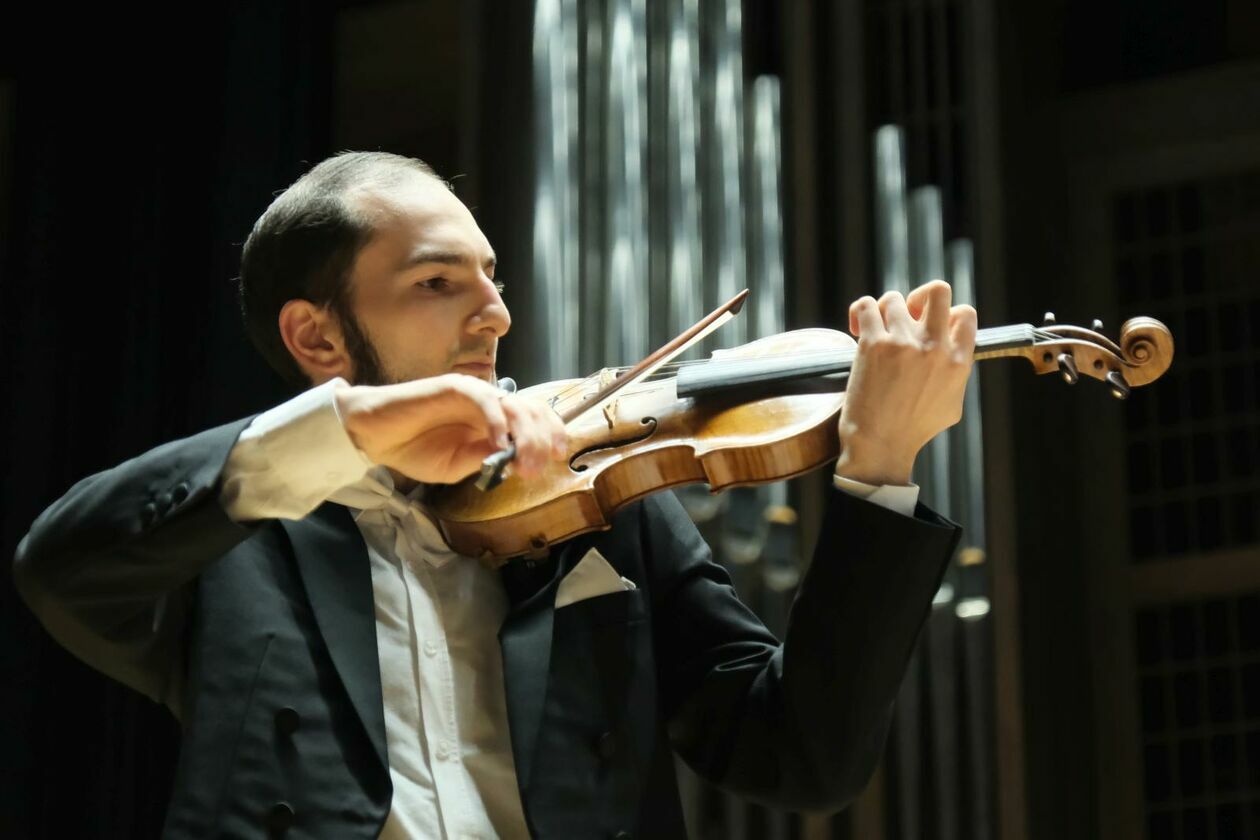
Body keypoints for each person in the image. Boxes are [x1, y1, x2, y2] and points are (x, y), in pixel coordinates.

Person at [14, 151, 976, 839]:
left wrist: (878, 470)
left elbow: (800, 757)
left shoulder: (600, 507)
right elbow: (62, 569)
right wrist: (352, 432)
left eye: (494, 278)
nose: (498, 313)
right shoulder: (234, 534)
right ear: (317, 339)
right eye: (438, 281)